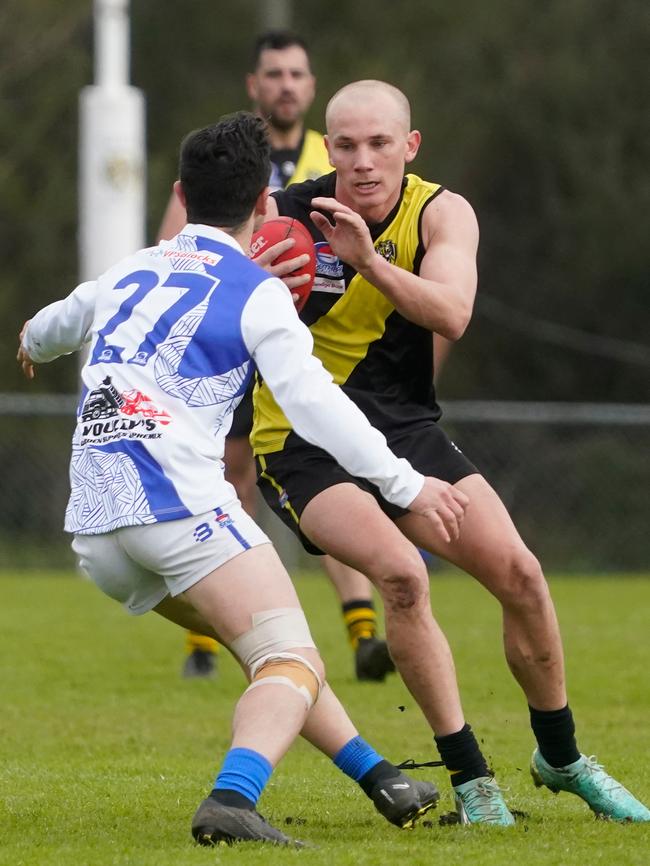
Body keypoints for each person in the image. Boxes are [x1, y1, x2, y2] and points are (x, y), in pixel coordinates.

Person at [17, 112, 467, 845]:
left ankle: (380, 775)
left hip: (97, 525)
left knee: (268, 649)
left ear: (179, 195)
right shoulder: (256, 291)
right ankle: (233, 798)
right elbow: (319, 408)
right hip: (176, 508)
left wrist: (32, 341)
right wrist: (407, 484)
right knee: (289, 657)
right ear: (266, 204)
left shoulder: (131, 268)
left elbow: (54, 323)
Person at [251, 80, 650, 825]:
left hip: (404, 429)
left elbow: (453, 314)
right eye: (346, 145)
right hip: (301, 442)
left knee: (522, 575)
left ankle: (560, 757)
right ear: (327, 146)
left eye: (379, 144)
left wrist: (368, 261)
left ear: (411, 145)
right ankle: (472, 781)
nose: (362, 162)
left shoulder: (441, 212)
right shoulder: (284, 218)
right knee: (402, 578)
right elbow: (208, 288)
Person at [159, 31, 394, 683]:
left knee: (332, 475)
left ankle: (363, 632)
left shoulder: (339, 158)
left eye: (297, 73)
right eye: (274, 74)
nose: (286, 84)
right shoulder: (226, 161)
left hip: (314, 351)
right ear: (254, 86)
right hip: (232, 344)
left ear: (311, 88)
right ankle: (207, 639)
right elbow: (173, 245)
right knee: (228, 476)